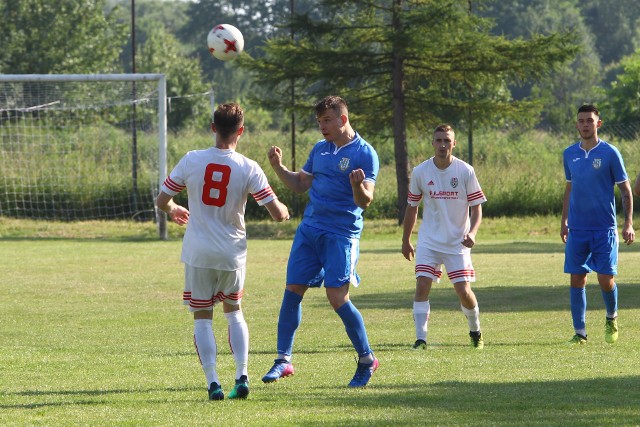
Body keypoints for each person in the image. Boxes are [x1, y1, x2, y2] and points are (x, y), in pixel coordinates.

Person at [155, 103, 289, 401]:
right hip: (232, 253)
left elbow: (161, 199)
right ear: (241, 131)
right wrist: (284, 211)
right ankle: (242, 376)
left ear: (213, 127)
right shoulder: (248, 166)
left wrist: (174, 207)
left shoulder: (192, 160)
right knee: (234, 313)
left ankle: (213, 383)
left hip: (198, 253)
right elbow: (276, 213)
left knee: (202, 318)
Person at [261, 95, 380, 388]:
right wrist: (278, 167)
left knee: (337, 298)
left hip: (341, 234)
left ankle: (367, 359)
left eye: (327, 120)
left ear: (343, 119)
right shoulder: (320, 149)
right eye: (319, 122)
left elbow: (366, 200)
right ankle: (283, 360)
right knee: (292, 291)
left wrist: (356, 186)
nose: (322, 127)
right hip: (310, 230)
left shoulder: (365, 153)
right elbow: (301, 184)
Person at [401, 124, 487, 350]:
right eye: (438, 140)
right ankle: (421, 339)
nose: (442, 145)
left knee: (463, 291)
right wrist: (406, 239)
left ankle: (475, 331)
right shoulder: (421, 172)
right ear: (432, 143)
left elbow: (477, 207)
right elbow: (412, 207)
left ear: (454, 143)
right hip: (429, 241)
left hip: (457, 242)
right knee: (422, 285)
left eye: (447, 141)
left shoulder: (465, 171)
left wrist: (473, 233)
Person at [561, 104, 634, 345]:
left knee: (606, 279)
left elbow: (625, 190)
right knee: (576, 278)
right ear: (576, 124)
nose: (585, 125)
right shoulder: (569, 153)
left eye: (589, 121)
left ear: (598, 124)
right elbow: (569, 188)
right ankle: (579, 333)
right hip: (577, 229)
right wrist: (564, 222)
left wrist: (628, 223)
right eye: (581, 121)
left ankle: (611, 317)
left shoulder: (610, 153)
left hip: (604, 229)